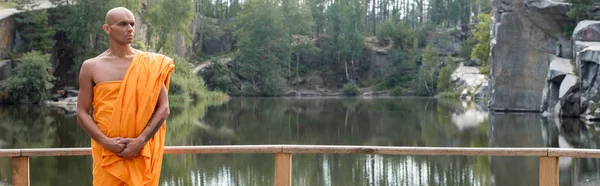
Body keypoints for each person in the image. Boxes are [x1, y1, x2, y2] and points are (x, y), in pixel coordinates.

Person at [76, 7, 175, 186]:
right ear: (107, 29)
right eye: (122, 24)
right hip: (107, 154)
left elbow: (164, 108)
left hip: (141, 151)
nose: (129, 28)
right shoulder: (91, 67)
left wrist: (140, 140)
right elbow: (82, 112)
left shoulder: (148, 64)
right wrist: (106, 142)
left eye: (132, 24)